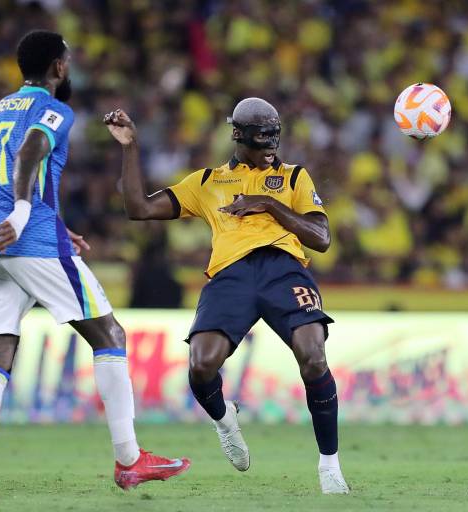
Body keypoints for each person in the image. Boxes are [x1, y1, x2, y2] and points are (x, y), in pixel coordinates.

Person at [0, 30, 190, 499]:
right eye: (68, 61)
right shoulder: (54, 110)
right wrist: (28, 215)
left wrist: (37, 217)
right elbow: (30, 151)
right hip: (32, 241)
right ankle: (129, 459)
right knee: (110, 336)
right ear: (59, 68)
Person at [104, 98, 350, 494]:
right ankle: (225, 420)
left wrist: (268, 205)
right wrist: (130, 147)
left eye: (275, 136)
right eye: (262, 137)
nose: (271, 146)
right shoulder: (206, 182)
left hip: (282, 269)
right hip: (230, 275)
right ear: (238, 135)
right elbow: (138, 208)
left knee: (313, 355)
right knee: (201, 365)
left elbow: (321, 238)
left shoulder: (294, 177)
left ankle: (330, 466)